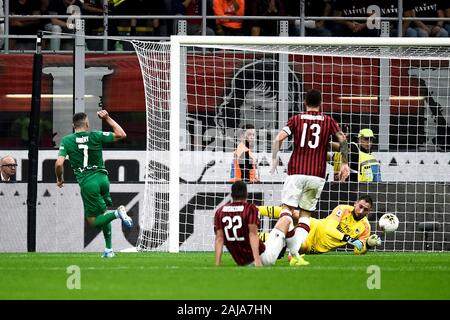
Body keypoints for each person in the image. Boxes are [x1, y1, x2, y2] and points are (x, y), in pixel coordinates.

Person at [270, 89, 349, 266]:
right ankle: (294, 254)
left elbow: (278, 139)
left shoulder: (296, 119)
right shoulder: (328, 121)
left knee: (287, 209)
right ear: (321, 103)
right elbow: (343, 140)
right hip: (317, 175)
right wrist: (344, 164)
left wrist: (274, 159)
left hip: (296, 172)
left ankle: (276, 245)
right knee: (305, 215)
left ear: (304, 102)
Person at [55, 110, 133, 258]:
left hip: (88, 183)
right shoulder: (95, 135)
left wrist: (59, 178)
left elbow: (59, 163)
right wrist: (107, 118)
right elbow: (122, 134)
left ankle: (118, 213)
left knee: (94, 220)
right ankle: (109, 250)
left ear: (73, 125)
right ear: (87, 124)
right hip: (103, 179)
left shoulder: (67, 140)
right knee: (103, 213)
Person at [258, 195, 382, 258]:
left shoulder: (365, 227)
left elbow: (357, 251)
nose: (361, 211)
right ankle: (255, 210)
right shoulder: (343, 209)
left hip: (315, 246)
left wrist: (368, 245)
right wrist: (350, 239)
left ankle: (255, 236)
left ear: (369, 212)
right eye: (360, 206)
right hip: (315, 225)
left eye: (365, 210)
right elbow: (329, 229)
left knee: (290, 242)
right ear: (355, 204)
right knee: (293, 213)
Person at [214, 181, 290, 267]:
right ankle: (294, 254)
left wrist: (217, 265)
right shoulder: (250, 208)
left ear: (231, 194)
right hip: (263, 257)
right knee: (287, 218)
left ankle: (285, 247)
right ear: (246, 193)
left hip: (242, 262)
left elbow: (219, 239)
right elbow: (253, 235)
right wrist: (257, 261)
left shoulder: (220, 211)